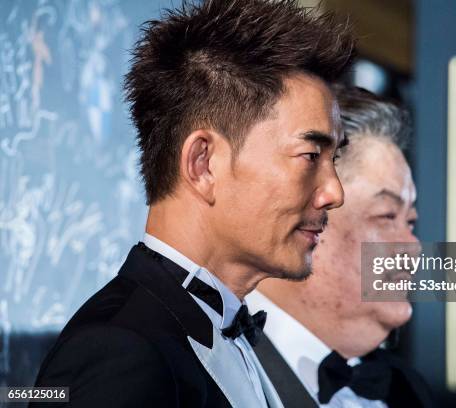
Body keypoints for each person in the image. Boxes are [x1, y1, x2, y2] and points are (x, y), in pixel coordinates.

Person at [32, 1, 355, 407]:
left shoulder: (228, 331)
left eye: (334, 160)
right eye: (310, 156)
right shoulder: (119, 350)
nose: (334, 192)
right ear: (203, 164)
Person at [247, 85, 432, 408]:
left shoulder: (409, 392)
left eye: (411, 221)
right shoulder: (208, 372)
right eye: (387, 215)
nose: (413, 246)